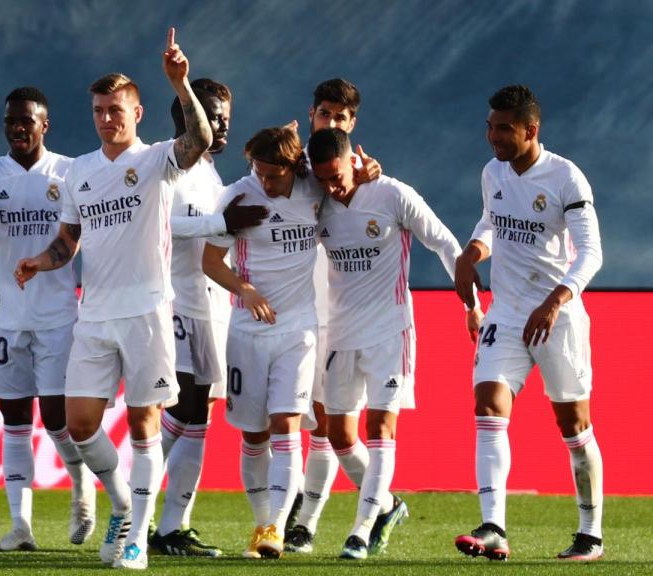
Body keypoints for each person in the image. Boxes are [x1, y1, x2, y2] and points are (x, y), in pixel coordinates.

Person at [13, 28, 212, 570]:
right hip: (94, 313)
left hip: (147, 310)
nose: (107, 118)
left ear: (138, 112)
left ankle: (137, 540)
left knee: (145, 425)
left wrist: (182, 82)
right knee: (78, 424)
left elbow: (200, 140)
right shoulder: (79, 170)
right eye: (99, 110)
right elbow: (69, 239)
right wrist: (41, 259)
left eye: (116, 109)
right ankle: (124, 505)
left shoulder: (155, 160)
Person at [453, 85, 604, 562]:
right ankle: (494, 525)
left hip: (556, 316)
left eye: (503, 128)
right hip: (508, 310)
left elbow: (593, 254)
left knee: (573, 424)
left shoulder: (566, 178)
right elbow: (491, 222)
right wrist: (472, 252)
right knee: (488, 403)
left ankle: (590, 533)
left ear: (530, 130)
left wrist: (556, 301)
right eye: (489, 126)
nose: (492, 136)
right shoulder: (492, 171)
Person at [308, 127, 474, 560]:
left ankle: (361, 529)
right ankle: (388, 505)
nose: (332, 185)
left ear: (353, 160)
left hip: (390, 330)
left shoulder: (391, 194)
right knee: (339, 435)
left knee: (380, 428)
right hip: (340, 332)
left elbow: (443, 242)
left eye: (338, 174)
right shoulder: (315, 199)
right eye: (322, 177)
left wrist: (471, 304)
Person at [0, 87, 96, 552]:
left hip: (58, 318)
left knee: (58, 419)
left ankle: (81, 489)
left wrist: (42, 260)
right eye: (11, 121)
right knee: (14, 419)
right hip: (5, 319)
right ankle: (21, 527)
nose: (18, 128)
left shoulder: (69, 172)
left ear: (44, 125)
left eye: (27, 121)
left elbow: (73, 237)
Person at [152, 79, 267, 558]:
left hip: (212, 310)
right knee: (182, 409)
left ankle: (169, 525)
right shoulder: (166, 167)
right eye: (210, 115)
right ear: (184, 116)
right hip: (175, 305)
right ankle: (134, 510)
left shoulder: (214, 176)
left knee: (197, 415)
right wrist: (218, 224)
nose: (220, 124)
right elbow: (157, 226)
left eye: (224, 116)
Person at [202, 126, 323, 560]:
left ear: (293, 167)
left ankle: (274, 527)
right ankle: (260, 522)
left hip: (298, 330)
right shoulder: (237, 196)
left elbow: (344, 176)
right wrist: (244, 289)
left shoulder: (313, 188)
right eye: (259, 172)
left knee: (286, 424)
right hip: (248, 332)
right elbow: (210, 261)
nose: (266, 183)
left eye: (274, 175)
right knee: (254, 435)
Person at [285, 77, 382, 554]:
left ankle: (304, 520)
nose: (333, 122)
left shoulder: (358, 173)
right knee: (290, 421)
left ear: (353, 124)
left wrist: (371, 175)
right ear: (311, 115)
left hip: (338, 311)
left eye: (342, 117)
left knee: (325, 424)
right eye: (326, 114)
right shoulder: (290, 167)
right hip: (288, 307)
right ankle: (384, 505)